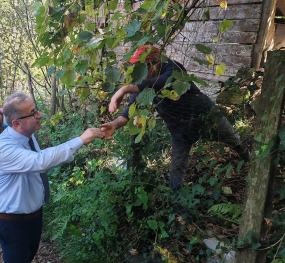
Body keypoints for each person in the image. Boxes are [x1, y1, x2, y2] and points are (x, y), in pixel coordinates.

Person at [101, 45, 249, 192]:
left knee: (234, 140)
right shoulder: (143, 86)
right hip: (180, 130)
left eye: (141, 68)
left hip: (207, 116)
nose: (138, 73)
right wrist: (114, 124)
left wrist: (123, 89)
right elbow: (128, 114)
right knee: (176, 171)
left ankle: (251, 162)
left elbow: (161, 83)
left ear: (153, 64)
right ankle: (179, 202)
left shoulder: (173, 69)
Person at [0, 93, 105, 263]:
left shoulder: (28, 135)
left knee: (25, 260)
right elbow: (40, 161)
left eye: (36, 110)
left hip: (31, 216)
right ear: (16, 123)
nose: (40, 115)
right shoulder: (4, 149)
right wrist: (81, 140)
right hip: (11, 221)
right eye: (33, 113)